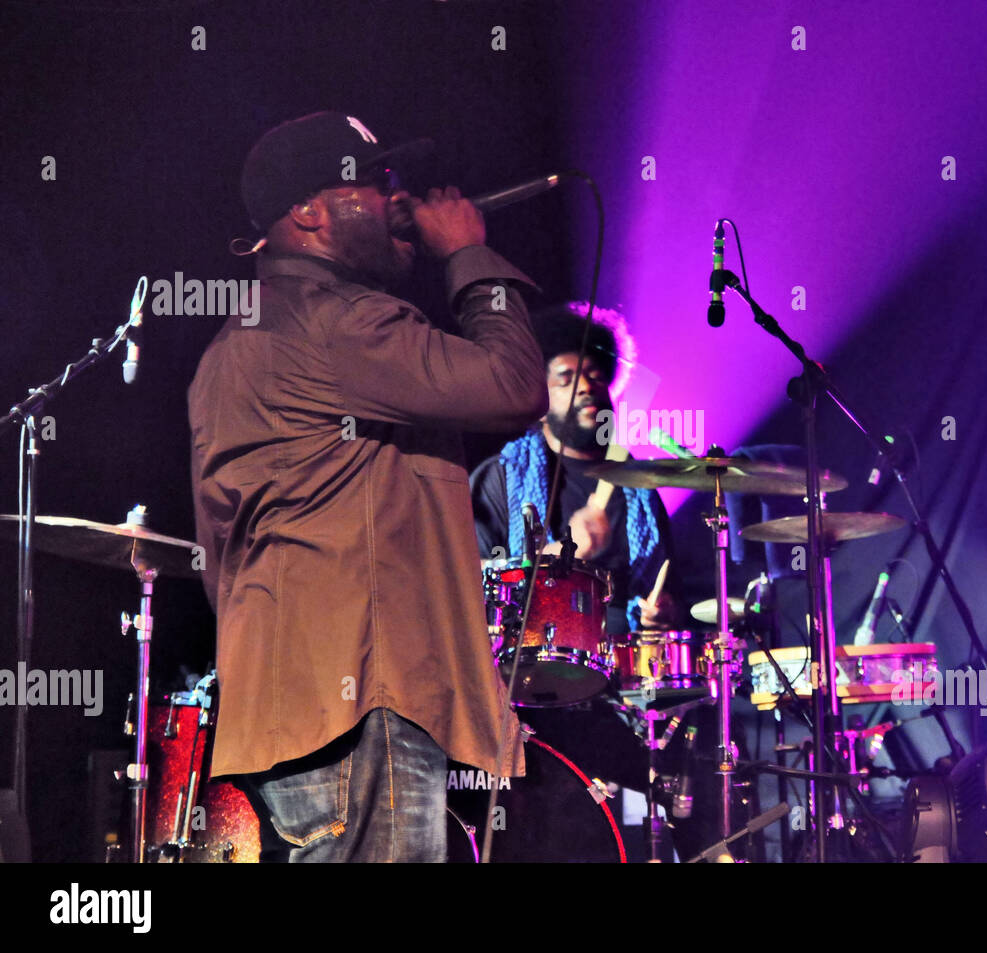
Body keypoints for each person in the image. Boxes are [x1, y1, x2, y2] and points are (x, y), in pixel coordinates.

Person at [187, 111, 546, 862]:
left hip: (298, 708)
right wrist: (471, 254)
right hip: (364, 699)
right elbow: (514, 384)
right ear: (308, 213)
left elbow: (221, 553)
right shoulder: (336, 321)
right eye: (375, 183)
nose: (399, 199)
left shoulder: (235, 342)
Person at [468, 303, 680, 639]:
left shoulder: (640, 486)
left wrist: (661, 610)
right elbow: (465, 579)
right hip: (531, 658)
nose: (585, 386)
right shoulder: (501, 477)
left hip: (629, 669)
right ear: (538, 401)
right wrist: (563, 554)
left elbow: (667, 585)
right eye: (566, 379)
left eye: (595, 377)